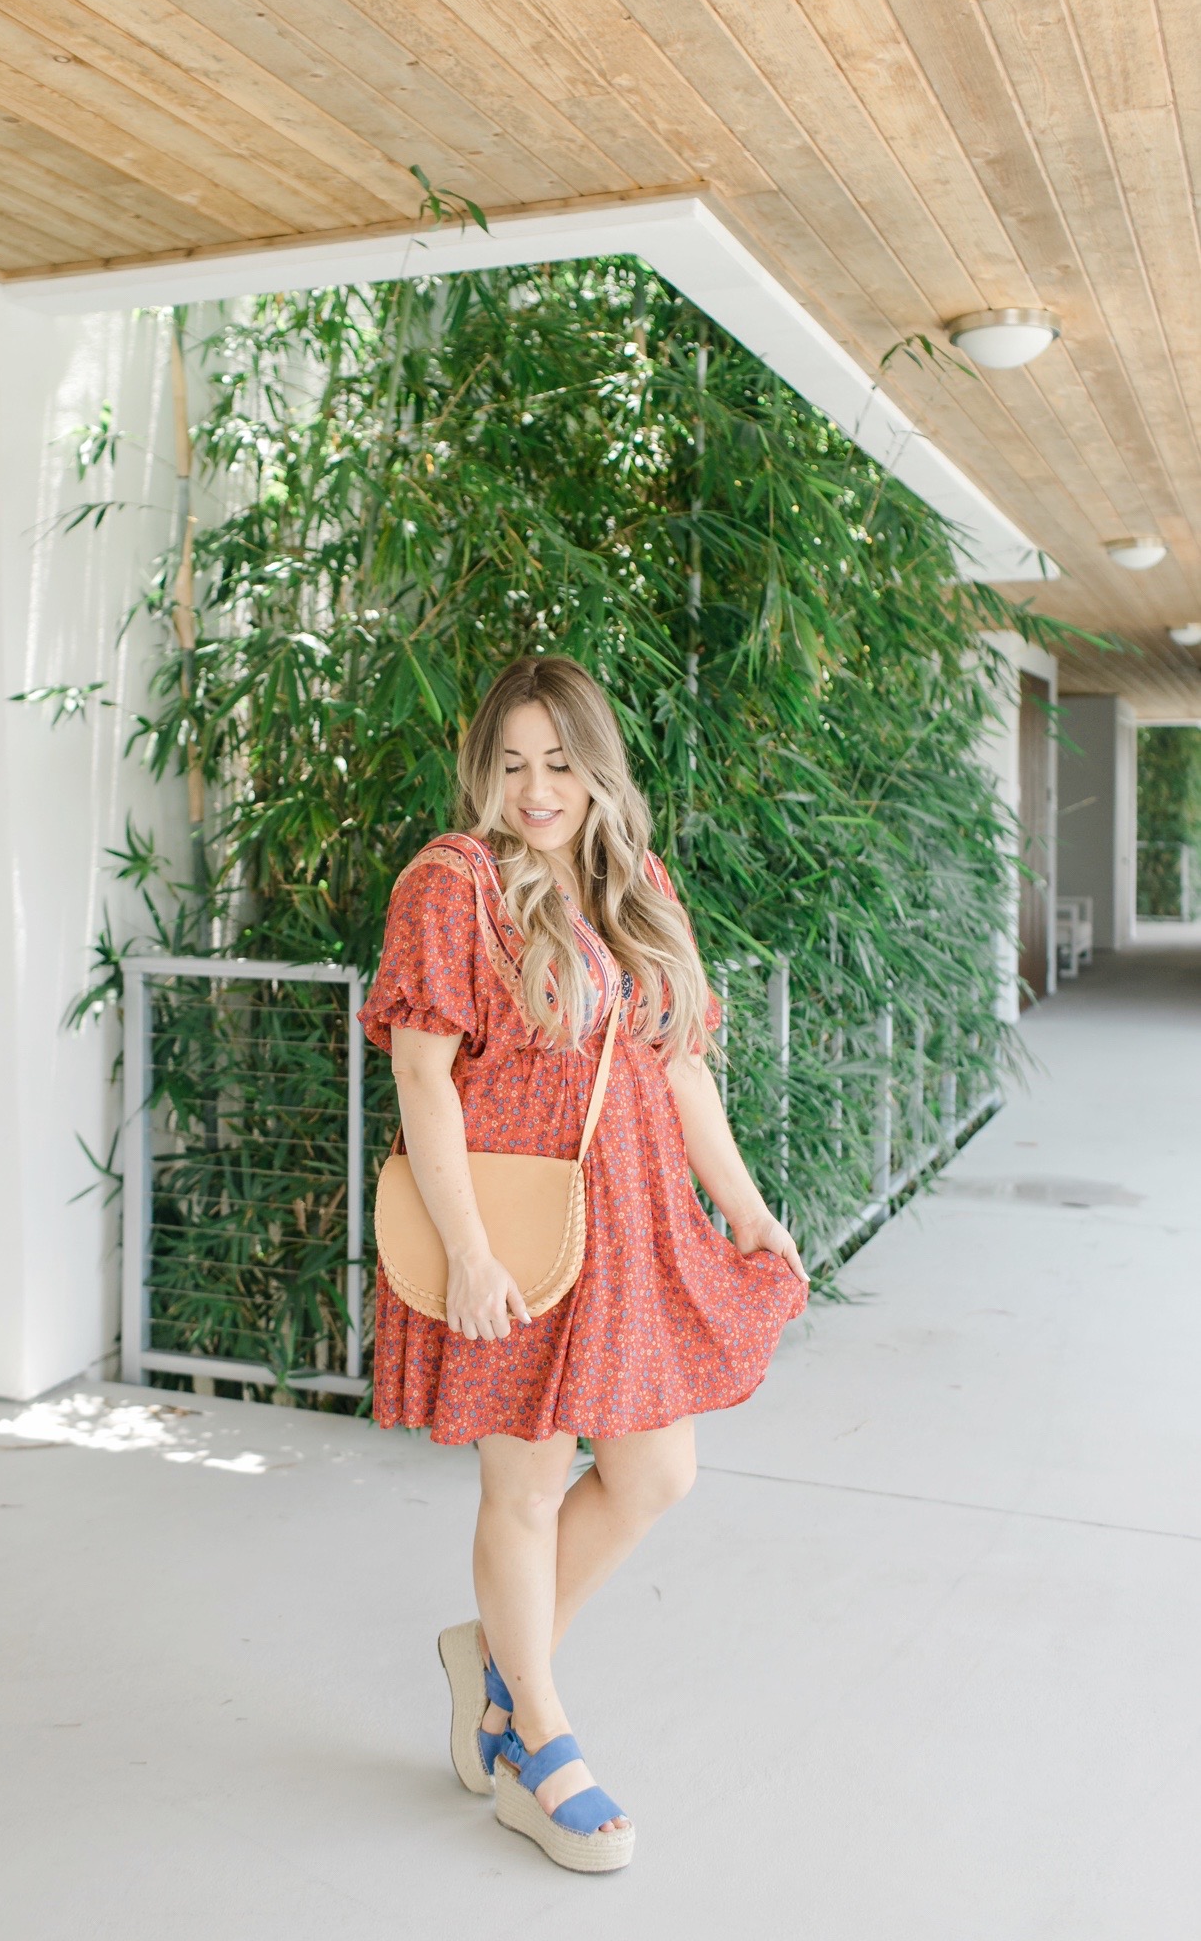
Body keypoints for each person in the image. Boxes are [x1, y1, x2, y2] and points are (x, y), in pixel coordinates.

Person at [360, 655, 808, 1873]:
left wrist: (749, 1211)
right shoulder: (451, 886)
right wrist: (465, 1249)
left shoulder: (634, 882)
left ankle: (496, 1660)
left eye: (559, 760)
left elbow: (681, 1068)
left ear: (598, 764)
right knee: (526, 1487)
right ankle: (534, 1743)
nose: (535, 786)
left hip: (633, 1225)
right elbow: (419, 1076)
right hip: (515, 1226)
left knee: (658, 1467)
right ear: (483, 769)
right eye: (511, 761)